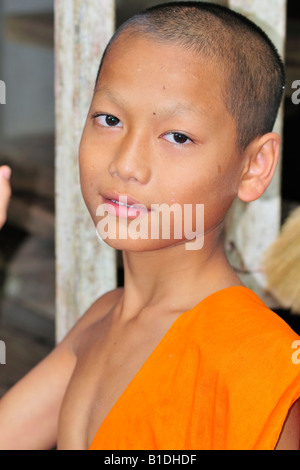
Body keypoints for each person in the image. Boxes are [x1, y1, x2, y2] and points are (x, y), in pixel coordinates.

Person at [0, 1, 299, 450]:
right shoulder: (102, 320)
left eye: (177, 137)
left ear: (254, 166)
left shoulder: (260, 361)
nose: (126, 164)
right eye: (110, 120)